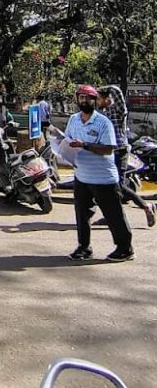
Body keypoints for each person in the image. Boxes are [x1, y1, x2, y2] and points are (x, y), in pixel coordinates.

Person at [53, 84, 133, 262]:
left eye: (88, 98)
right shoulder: (73, 119)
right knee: (82, 215)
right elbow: (68, 140)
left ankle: (125, 249)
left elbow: (109, 149)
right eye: (81, 98)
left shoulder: (103, 122)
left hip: (103, 178)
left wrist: (84, 145)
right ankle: (84, 247)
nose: (84, 101)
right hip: (82, 176)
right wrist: (63, 147)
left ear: (95, 100)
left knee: (113, 215)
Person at [97, 85, 155, 228]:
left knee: (119, 184)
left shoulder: (118, 110)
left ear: (106, 99)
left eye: (99, 98)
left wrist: (102, 88)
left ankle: (146, 206)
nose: (97, 101)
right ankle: (111, 216)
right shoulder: (103, 113)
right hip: (108, 153)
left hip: (120, 151)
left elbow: (117, 92)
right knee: (108, 186)